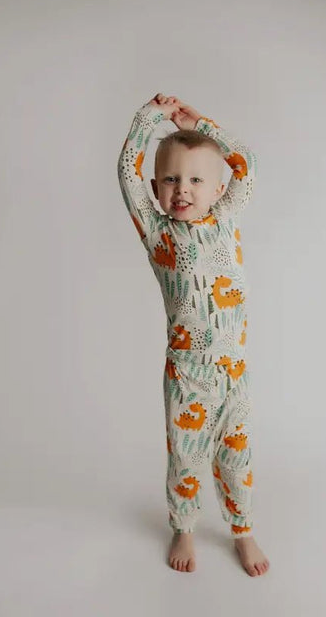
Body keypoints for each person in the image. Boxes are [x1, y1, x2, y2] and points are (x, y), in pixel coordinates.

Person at [117, 93, 269, 576]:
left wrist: (201, 123)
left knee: (237, 459)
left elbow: (247, 163)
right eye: (170, 179)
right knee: (185, 461)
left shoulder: (226, 217)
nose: (182, 189)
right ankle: (183, 526)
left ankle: (242, 530)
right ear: (156, 187)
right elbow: (126, 172)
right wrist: (148, 119)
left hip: (233, 373)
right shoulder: (158, 234)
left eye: (196, 180)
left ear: (218, 188)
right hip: (188, 376)